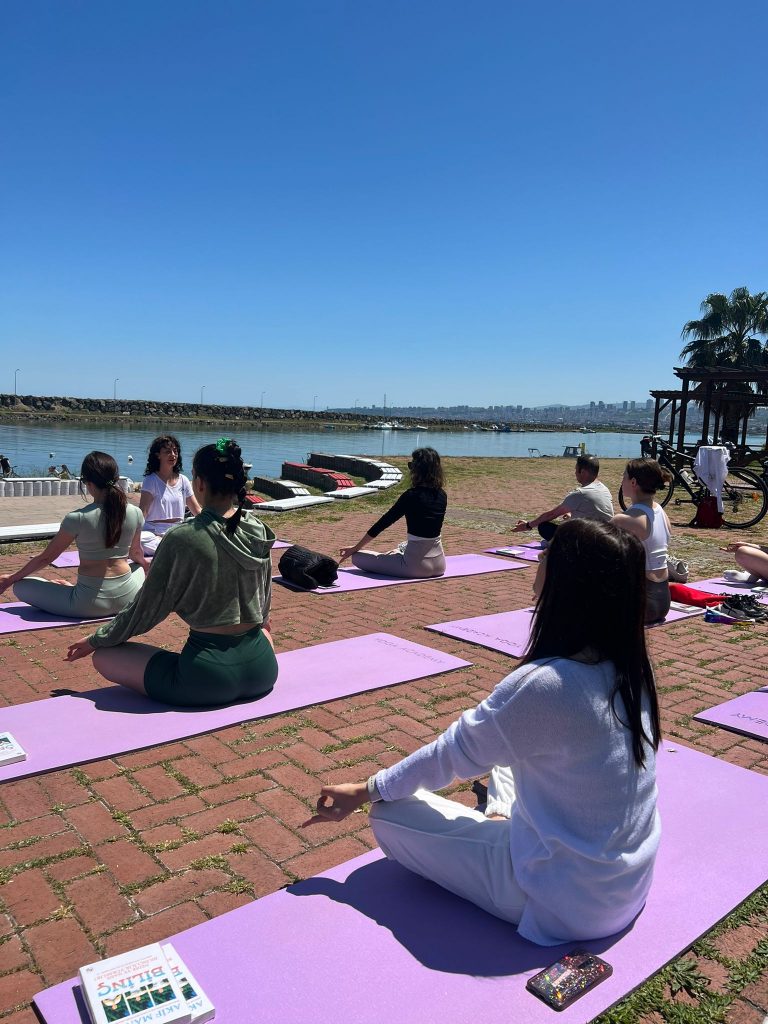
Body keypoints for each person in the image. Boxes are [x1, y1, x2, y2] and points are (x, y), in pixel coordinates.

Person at [306, 519, 661, 946]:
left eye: (548, 555)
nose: (540, 558)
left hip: (560, 901)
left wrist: (365, 790)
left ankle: (495, 826)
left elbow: (450, 755)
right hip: (625, 886)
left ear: (570, 583)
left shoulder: (547, 684)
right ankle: (498, 819)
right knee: (510, 757)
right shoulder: (629, 668)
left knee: (390, 814)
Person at [66, 438, 278, 708]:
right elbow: (264, 600)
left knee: (103, 656)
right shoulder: (257, 528)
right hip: (263, 670)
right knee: (260, 632)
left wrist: (98, 639)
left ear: (199, 483)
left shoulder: (183, 537)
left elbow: (146, 609)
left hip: (206, 678)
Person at [0, 452, 148, 616]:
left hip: (88, 603)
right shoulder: (136, 512)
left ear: (87, 483)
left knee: (20, 587)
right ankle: (69, 589)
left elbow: (46, 558)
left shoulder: (77, 518)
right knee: (137, 566)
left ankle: (68, 591)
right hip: (127, 598)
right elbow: (136, 553)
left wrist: (10, 579)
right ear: (116, 478)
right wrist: (146, 567)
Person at [338, 447, 447, 578]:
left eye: (411, 466)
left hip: (415, 567)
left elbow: (383, 523)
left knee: (357, 558)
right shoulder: (442, 495)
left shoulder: (411, 496)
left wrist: (355, 548)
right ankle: (399, 552)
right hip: (440, 565)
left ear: (417, 471)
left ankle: (397, 554)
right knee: (405, 547)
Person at [612, 459, 672, 624]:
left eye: (623, 477)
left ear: (633, 482)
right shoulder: (661, 512)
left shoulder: (623, 520)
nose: (621, 481)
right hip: (663, 602)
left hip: (642, 606)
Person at [513, 455, 613, 542]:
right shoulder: (605, 489)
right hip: (605, 536)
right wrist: (571, 514)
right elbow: (595, 512)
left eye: (576, 469)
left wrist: (528, 525)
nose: (575, 473)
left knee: (544, 526)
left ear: (582, 472)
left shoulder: (581, 493)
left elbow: (551, 515)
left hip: (586, 539)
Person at [139, 435, 201, 553]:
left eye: (175, 451)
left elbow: (197, 511)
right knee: (141, 540)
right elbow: (142, 514)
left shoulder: (183, 480)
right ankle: (172, 549)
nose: (173, 454)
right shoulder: (151, 480)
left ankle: (170, 549)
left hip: (177, 532)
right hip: (153, 533)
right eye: (168, 451)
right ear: (158, 455)